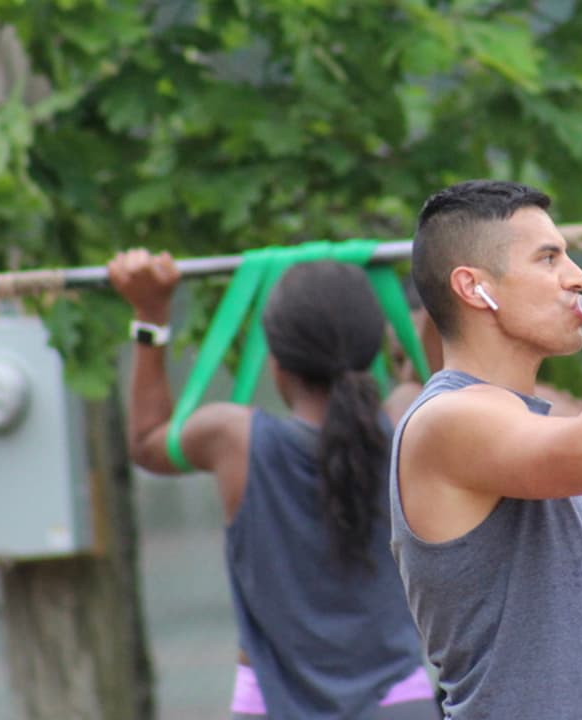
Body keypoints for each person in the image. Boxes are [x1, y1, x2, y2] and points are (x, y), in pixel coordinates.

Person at [390, 179, 582, 719]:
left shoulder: (533, 425)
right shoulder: (448, 419)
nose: (577, 278)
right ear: (474, 287)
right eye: (548, 259)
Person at [107, 249, 439, 720]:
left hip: (269, 705)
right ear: (374, 351)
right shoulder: (409, 418)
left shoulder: (235, 439)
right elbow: (445, 381)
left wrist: (151, 314)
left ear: (276, 363)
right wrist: (435, 298)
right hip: (398, 705)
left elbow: (146, 443)